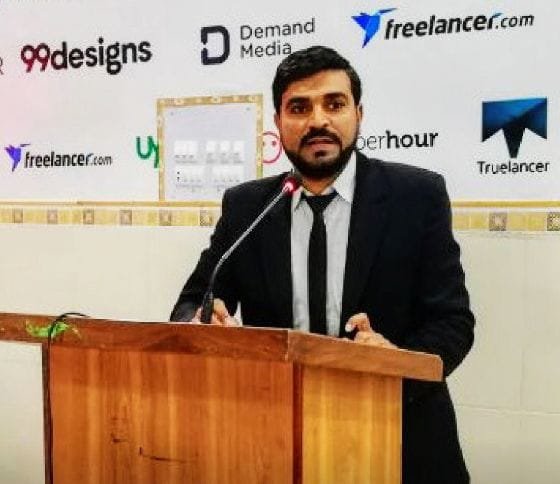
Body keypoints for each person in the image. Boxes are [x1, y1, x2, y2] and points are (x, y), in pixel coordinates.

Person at [171, 45, 474, 484]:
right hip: (277, 440)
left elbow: (453, 322)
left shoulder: (416, 196)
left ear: (358, 114)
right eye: (299, 108)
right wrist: (201, 320)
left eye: (334, 104)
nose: (318, 121)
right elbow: (193, 300)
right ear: (278, 123)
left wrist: (397, 364)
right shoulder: (248, 206)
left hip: (400, 437)